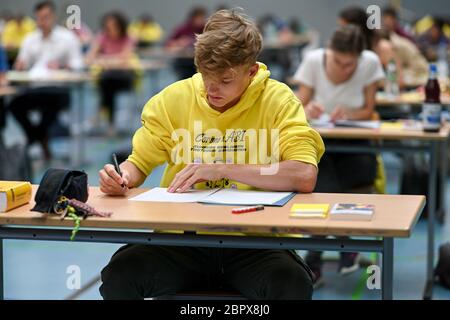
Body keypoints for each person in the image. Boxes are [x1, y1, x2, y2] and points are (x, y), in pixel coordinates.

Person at [98, 9, 324, 300]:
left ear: (252, 71)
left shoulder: (278, 100)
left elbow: (304, 174)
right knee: (120, 275)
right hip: (181, 240)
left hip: (256, 243)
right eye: (205, 76)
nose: (211, 89)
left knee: (290, 283)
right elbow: (138, 163)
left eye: (225, 80)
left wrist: (222, 168)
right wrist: (121, 177)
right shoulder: (173, 99)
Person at [294, 25, 385, 287]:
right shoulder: (313, 60)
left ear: (360, 56)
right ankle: (345, 243)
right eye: (338, 62)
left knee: (347, 181)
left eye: (350, 64)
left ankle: (315, 259)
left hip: (355, 140)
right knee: (321, 186)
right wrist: (309, 108)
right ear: (329, 52)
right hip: (319, 141)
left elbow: (369, 109)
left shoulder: (370, 63)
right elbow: (299, 106)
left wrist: (348, 115)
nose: (344, 69)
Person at [9, 1, 83, 160]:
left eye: (46, 17)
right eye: (39, 18)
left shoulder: (67, 38)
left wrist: (63, 66)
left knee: (51, 107)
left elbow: (78, 64)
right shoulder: (30, 39)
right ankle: (40, 139)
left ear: (53, 17)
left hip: (59, 89)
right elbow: (22, 63)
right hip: (36, 88)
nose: (42, 21)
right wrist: (20, 65)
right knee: (14, 105)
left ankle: (33, 140)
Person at [86, 11, 136, 128]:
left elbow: (124, 59)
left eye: (114, 26)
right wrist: (111, 60)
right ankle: (110, 123)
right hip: (107, 77)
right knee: (107, 83)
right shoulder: (102, 36)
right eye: (108, 27)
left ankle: (101, 113)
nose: (111, 30)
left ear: (121, 26)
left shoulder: (129, 37)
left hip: (125, 76)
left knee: (107, 83)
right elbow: (89, 57)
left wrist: (104, 59)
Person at [339, 6, 403, 88]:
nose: (341, 32)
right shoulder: (349, 50)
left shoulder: (383, 47)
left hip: (382, 96)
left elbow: (399, 81)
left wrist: (371, 84)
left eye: (344, 28)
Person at [166, 6, 207, 80]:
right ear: (193, 18)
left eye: (202, 18)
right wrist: (179, 43)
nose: (201, 20)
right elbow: (169, 45)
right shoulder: (183, 29)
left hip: (200, 62)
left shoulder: (206, 29)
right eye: (199, 18)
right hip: (184, 63)